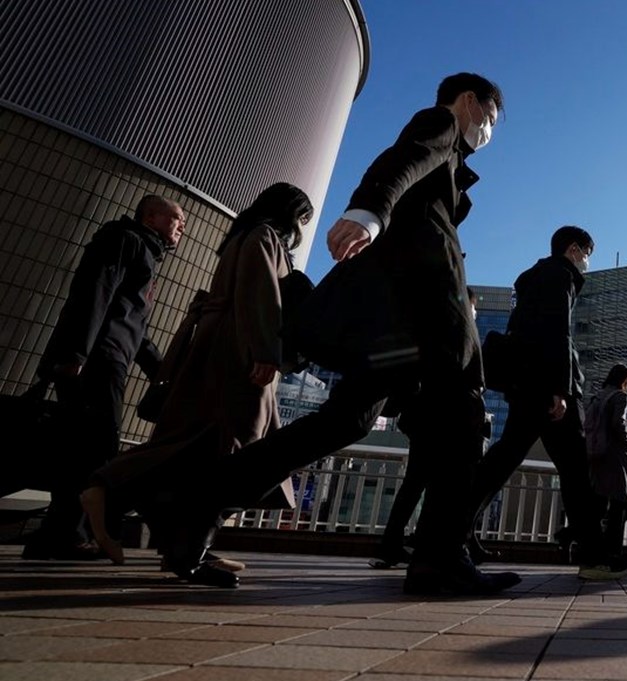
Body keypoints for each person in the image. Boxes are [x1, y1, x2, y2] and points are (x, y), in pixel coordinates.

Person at [156, 73, 518, 595]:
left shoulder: (455, 168)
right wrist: (368, 213)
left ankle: (196, 503)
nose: (488, 131)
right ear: (469, 102)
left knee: (342, 421)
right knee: (462, 409)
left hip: (389, 326)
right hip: (422, 310)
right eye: (489, 119)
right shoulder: (440, 122)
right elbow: (402, 159)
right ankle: (439, 558)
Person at [78, 185, 312, 584]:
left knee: (201, 440)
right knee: (233, 445)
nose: (302, 227)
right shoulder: (265, 238)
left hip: (218, 345)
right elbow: (261, 296)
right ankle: (114, 486)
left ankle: (180, 543)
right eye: (303, 218)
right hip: (238, 351)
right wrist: (265, 351)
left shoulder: (242, 236)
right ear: (291, 214)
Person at [22, 195, 186, 561]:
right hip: (96, 359)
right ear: (151, 216)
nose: (182, 227)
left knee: (82, 447)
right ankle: (66, 534)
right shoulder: (125, 240)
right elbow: (94, 292)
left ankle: (57, 534)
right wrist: (75, 354)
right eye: (176, 219)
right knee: (94, 448)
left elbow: (135, 328)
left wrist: (163, 372)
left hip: (105, 357)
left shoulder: (144, 252)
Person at [465, 226, 627, 581]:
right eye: (587, 253)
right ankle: (595, 556)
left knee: (504, 458)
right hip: (550, 389)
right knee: (573, 471)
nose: (587, 262)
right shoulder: (560, 275)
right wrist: (558, 387)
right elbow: (557, 331)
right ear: (574, 249)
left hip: (527, 384)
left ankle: (446, 532)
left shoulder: (533, 279)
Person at [368, 288, 480, 570]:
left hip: (421, 419)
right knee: (432, 482)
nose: (475, 313)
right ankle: (418, 544)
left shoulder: (432, 328)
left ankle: (394, 543)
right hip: (438, 419)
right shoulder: (453, 332)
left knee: (416, 482)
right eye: (474, 307)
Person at [585, 364, 627, 564]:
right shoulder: (620, 396)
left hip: (597, 454)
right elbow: (619, 422)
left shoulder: (597, 397)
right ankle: (612, 553)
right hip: (615, 455)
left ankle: (592, 550)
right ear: (624, 380)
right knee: (618, 505)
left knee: (598, 504)